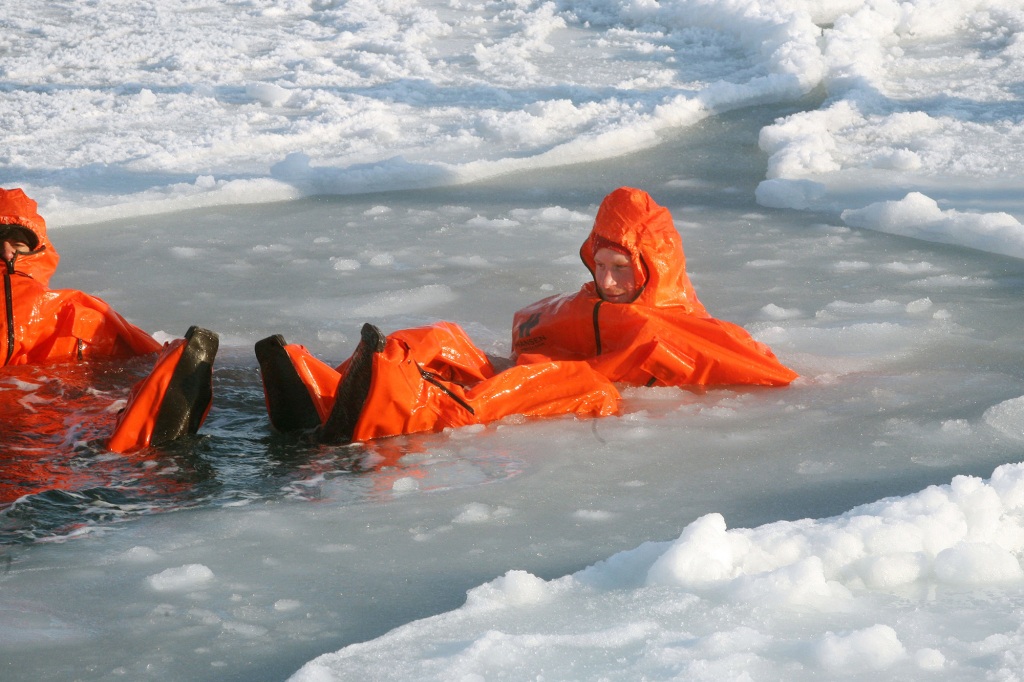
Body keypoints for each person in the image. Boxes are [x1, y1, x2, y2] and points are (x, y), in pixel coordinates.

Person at [255, 187, 797, 445]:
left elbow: (768, 373)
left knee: (574, 381)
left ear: (654, 266)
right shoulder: (580, 305)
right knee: (439, 335)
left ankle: (394, 410)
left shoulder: (685, 330)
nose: (608, 282)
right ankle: (328, 388)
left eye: (621, 270)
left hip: (583, 393)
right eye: (599, 265)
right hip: (522, 373)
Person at [0, 187, 218, 457]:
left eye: (18, 244)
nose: (8, 253)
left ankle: (144, 433)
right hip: (36, 438)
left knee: (101, 431)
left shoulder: (78, 310)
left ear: (39, 250)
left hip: (58, 434)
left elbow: (146, 357)